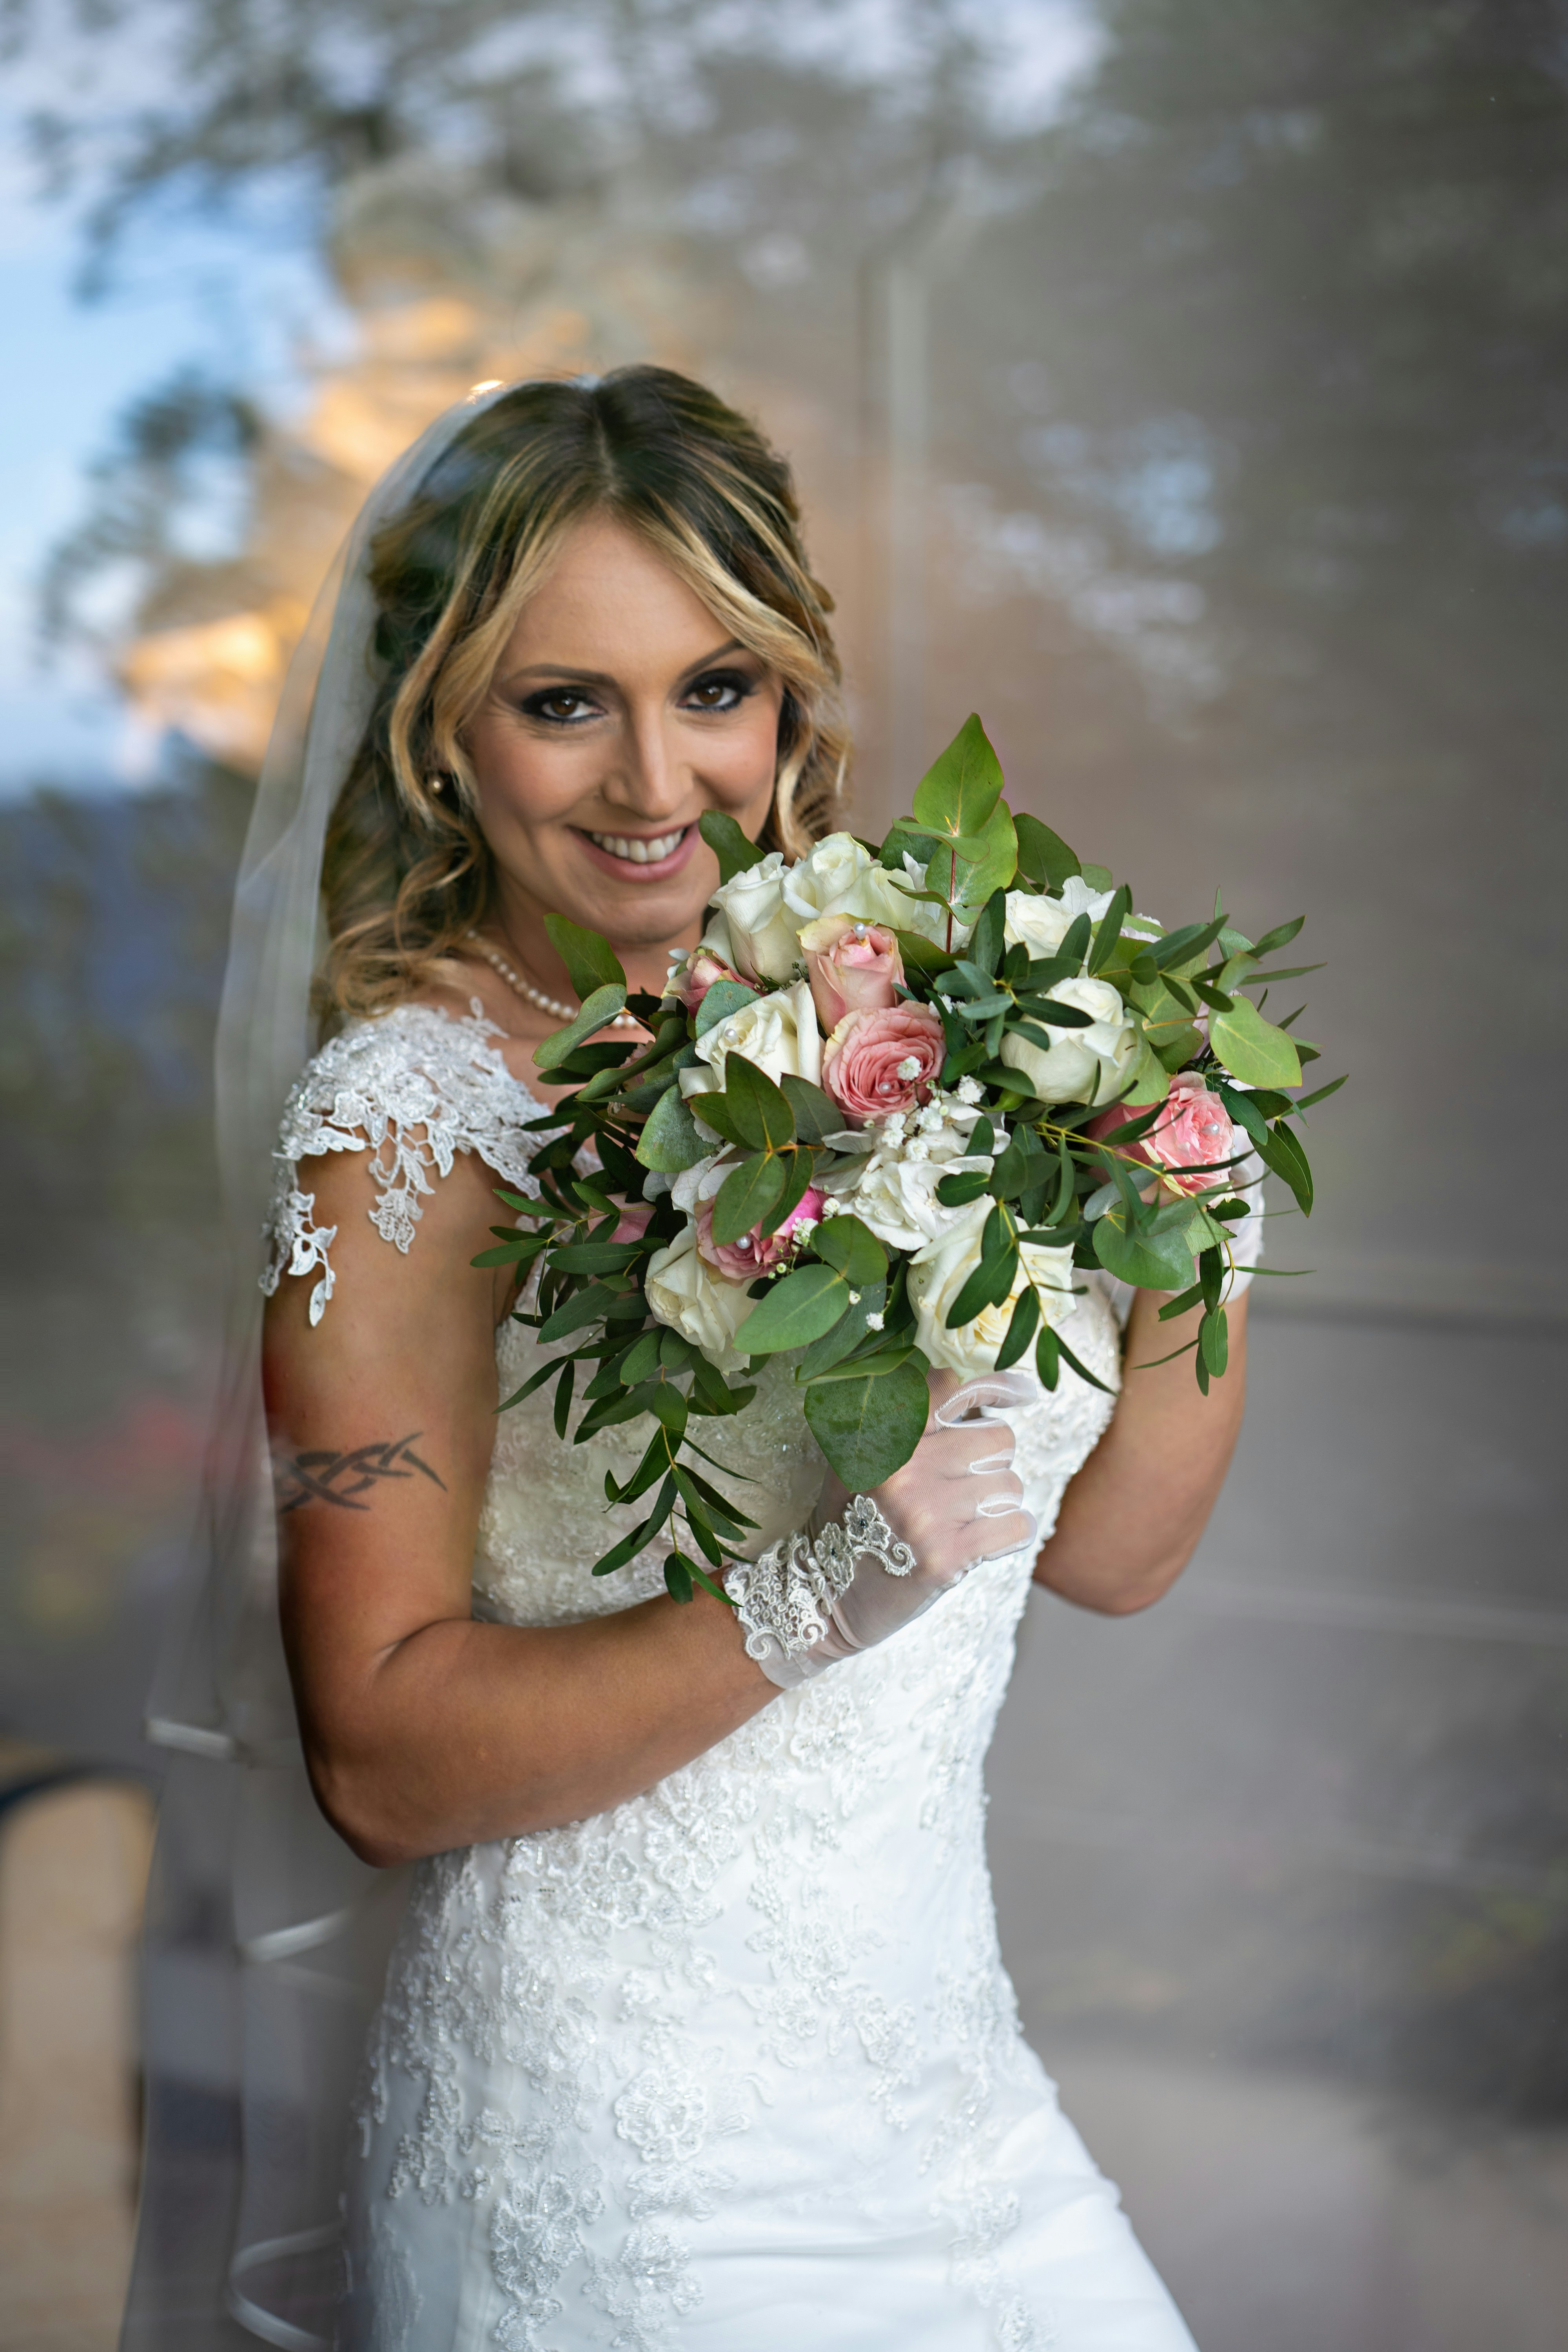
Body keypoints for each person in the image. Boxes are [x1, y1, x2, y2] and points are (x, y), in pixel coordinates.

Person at [128, 368, 1260, 2352]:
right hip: (616, 2151)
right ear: (440, 736)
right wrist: (833, 1582)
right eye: (565, 703)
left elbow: (1109, 1554)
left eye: (714, 688)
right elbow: (381, 1763)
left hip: (951, 2105)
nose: (658, 782)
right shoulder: (407, 1134)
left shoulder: (923, 1027)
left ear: (791, 698)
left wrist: (1188, 1221)